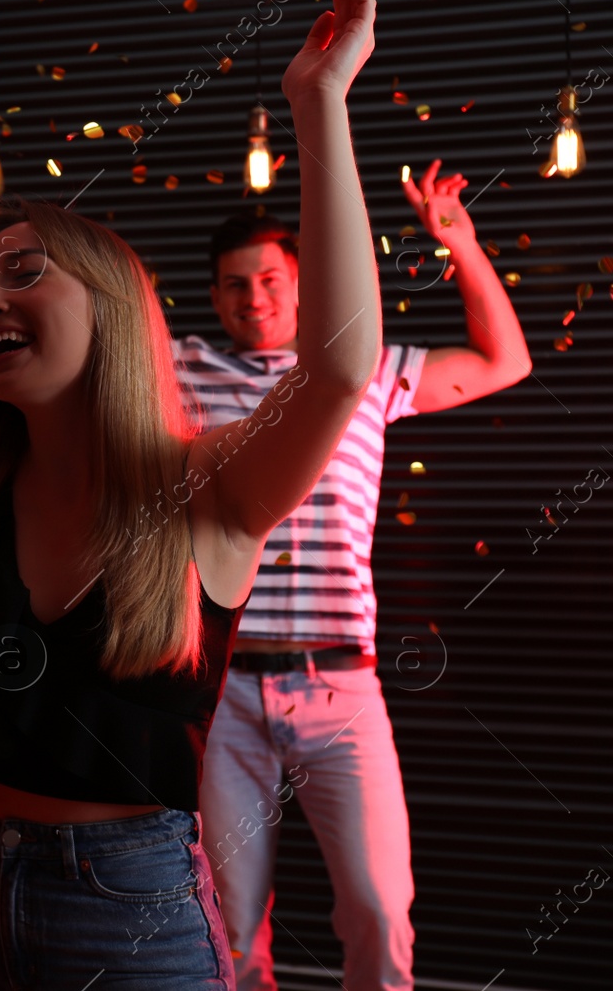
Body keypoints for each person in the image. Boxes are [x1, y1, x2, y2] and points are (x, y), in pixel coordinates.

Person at [0, 34, 533, 991]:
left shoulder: (211, 473)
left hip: (151, 872)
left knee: (379, 910)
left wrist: (321, 102)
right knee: (246, 919)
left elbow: (346, 364)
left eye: (23, 271)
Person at [178, 162, 528, 991]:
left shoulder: (363, 371)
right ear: (216, 297)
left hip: (340, 683)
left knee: (376, 905)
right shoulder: (184, 369)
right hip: (222, 688)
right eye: (233, 285)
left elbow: (502, 361)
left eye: (269, 278)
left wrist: (461, 243)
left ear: (302, 283)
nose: (252, 298)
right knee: (227, 918)